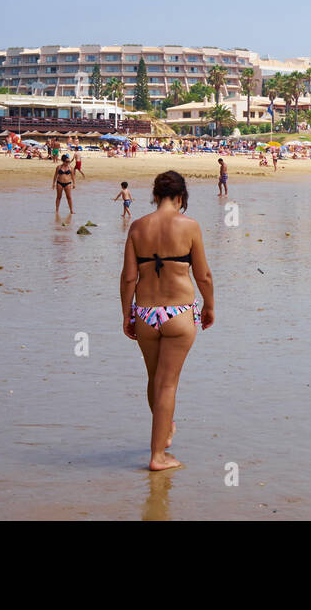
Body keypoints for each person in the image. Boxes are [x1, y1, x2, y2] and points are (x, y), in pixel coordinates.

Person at [121, 171, 215, 471]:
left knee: (155, 380)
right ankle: (158, 456)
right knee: (168, 385)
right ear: (180, 197)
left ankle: (165, 430)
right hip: (178, 313)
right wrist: (209, 305)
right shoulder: (190, 226)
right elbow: (203, 275)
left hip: (146, 314)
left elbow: (128, 277)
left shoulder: (137, 227)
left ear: (155, 195)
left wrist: (127, 313)